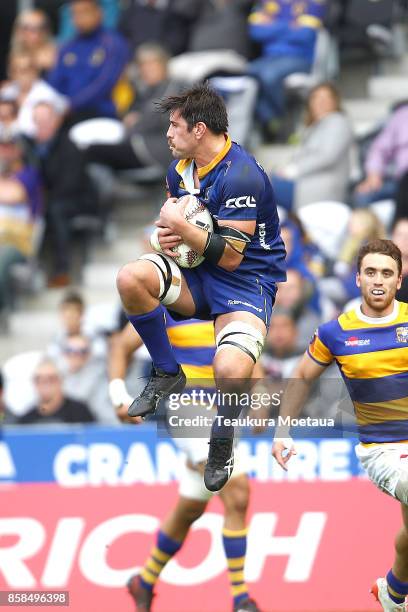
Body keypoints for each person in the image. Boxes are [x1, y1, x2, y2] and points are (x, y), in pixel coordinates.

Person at [116, 83, 286, 492]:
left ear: (200, 130)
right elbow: (184, 235)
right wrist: (169, 239)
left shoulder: (241, 174)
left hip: (246, 283)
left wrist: (178, 227)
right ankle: (166, 371)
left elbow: (229, 256)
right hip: (198, 275)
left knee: (228, 369)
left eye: (175, 126)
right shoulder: (179, 170)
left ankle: (222, 442)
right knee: (130, 278)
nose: (168, 135)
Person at [271, 238, 408, 611]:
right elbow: (302, 377)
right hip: (382, 451)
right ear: (358, 278)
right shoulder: (336, 332)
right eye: (370, 272)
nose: (378, 280)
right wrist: (283, 432)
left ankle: (394, 592)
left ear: (399, 280)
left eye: (387, 273)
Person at [109, 317, 261, 612]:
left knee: (191, 506)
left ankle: (145, 579)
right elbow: (121, 345)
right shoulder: (168, 302)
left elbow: (249, 353)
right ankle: (241, 598)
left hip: (224, 414)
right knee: (238, 491)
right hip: (186, 409)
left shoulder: (229, 299)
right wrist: (118, 396)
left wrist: (260, 397)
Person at [85, 43, 185, 172]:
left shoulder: (176, 87)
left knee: (93, 152)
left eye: (152, 64)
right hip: (139, 143)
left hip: (158, 149)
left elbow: (160, 119)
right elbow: (128, 117)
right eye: (143, 65)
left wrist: (138, 120)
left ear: (164, 65)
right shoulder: (144, 90)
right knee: (89, 149)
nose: (147, 70)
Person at [32, 101, 99, 286]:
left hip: (79, 200)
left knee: (55, 210)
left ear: (55, 122)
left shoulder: (68, 146)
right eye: (37, 121)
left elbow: (71, 185)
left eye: (45, 121)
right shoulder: (33, 149)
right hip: (52, 200)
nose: (41, 126)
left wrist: (43, 200)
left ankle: (62, 269)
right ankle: (32, 268)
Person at [271, 82, 354, 211]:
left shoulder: (338, 121)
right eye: (316, 98)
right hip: (303, 185)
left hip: (320, 189)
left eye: (326, 98)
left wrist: (294, 170)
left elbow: (327, 156)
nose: (320, 102)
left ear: (335, 102)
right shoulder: (315, 125)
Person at [248, 0, 327, 133]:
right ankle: (269, 119)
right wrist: (289, 25)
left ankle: (279, 119)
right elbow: (256, 32)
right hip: (269, 59)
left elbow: (305, 35)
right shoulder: (267, 3)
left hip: (299, 59)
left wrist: (273, 25)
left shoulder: (311, 3)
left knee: (269, 76)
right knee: (247, 73)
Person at [47, 0, 129, 123]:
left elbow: (104, 83)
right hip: (67, 116)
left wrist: (71, 104)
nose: (80, 18)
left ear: (98, 13)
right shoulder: (68, 47)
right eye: (75, 14)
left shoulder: (113, 43)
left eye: (85, 12)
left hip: (101, 116)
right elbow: (55, 82)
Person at [0, 130, 42, 328]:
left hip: (17, 243)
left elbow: (14, 194)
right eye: (1, 147)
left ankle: (3, 312)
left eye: (9, 147)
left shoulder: (29, 173)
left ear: (19, 150)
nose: (4, 152)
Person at [0, 51, 68, 139]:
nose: (21, 75)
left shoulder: (48, 94)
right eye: (15, 70)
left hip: (33, 147)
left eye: (26, 70)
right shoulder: (6, 93)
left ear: (35, 70)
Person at [353, 103, 408, 208]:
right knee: (363, 196)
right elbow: (379, 149)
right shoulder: (403, 115)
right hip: (400, 182)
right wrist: (374, 174)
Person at [19, 359, 95, 424]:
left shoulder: (80, 412)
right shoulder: (26, 421)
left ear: (61, 381)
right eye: (39, 379)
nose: (44, 383)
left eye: (51, 379)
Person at [10, 9, 56, 75]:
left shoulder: (55, 56)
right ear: (18, 31)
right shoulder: (14, 56)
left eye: (41, 28)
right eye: (28, 28)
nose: (36, 33)